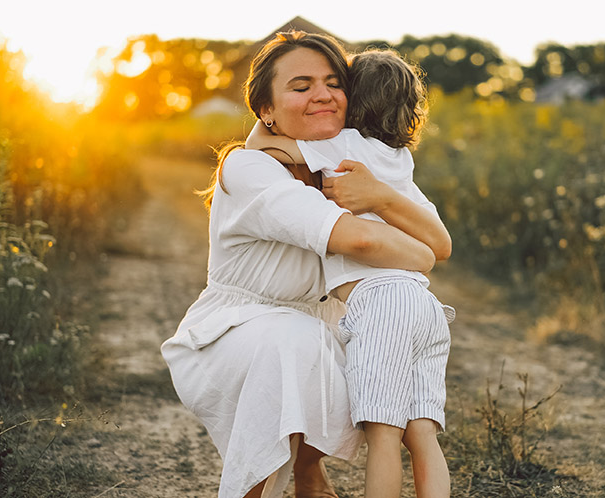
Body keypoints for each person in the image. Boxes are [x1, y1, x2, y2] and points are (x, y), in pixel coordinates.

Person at [160, 32, 450, 498]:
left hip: (319, 324)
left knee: (348, 351)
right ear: (267, 110)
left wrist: (382, 198)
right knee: (295, 342)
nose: (322, 94)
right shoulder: (250, 168)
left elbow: (440, 241)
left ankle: (308, 473)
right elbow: (371, 240)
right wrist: (416, 255)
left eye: (333, 82)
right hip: (238, 328)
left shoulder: (348, 168)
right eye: (300, 86)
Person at [246, 49, 453, 498]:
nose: (326, 96)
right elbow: (439, 241)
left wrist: (269, 111)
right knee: (422, 434)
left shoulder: (344, 146)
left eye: (336, 85)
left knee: (383, 435)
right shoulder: (400, 160)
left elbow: (258, 147)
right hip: (426, 305)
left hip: (381, 303)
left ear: (353, 100)